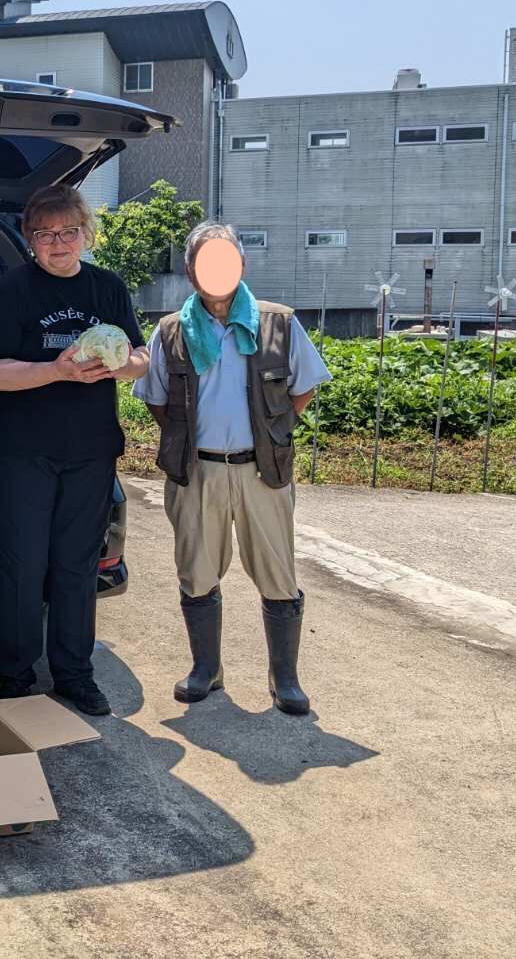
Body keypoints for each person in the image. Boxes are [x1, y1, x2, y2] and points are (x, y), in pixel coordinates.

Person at [133, 221, 330, 715]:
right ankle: (206, 669)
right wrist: (186, 435)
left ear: (241, 264)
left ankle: (285, 679)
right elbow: (156, 397)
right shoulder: (171, 331)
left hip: (262, 471)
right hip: (197, 471)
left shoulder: (279, 323)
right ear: (189, 270)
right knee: (196, 572)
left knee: (278, 573)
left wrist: (271, 431)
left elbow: (304, 387)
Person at [0, 184, 150, 716]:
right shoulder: (10, 291)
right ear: (30, 239)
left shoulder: (107, 288)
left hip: (91, 450)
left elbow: (141, 359)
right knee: (21, 565)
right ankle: (14, 674)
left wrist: (118, 365)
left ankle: (74, 674)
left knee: (77, 565)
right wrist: (56, 370)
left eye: (68, 232)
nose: (57, 243)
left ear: (85, 234)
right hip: (24, 451)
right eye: (45, 234)